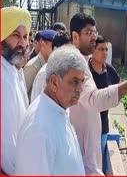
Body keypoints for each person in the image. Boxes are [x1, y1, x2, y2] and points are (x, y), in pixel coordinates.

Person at [69, 12, 127, 175]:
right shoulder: (75, 63)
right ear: (75, 36)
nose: (94, 37)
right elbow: (94, 99)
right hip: (81, 146)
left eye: (95, 33)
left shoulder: (82, 61)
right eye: (89, 33)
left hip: (89, 138)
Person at [14, 46, 87, 175]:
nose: (80, 88)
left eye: (82, 81)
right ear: (54, 82)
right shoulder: (39, 128)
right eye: (74, 82)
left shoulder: (58, 110)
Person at [1, 6, 31, 175]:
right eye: (15, 35)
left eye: (25, 36)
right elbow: (7, 145)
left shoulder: (13, 70)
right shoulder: (3, 79)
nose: (22, 43)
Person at [89, 35, 120, 173]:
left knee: (98, 164)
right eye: (101, 49)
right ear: (92, 51)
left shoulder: (110, 71)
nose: (105, 53)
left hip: (103, 127)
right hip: (86, 127)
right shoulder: (85, 70)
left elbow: (118, 89)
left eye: (106, 49)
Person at [30, 31, 71, 102]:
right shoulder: (44, 74)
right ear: (55, 49)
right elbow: (38, 105)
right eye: (66, 51)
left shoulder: (63, 71)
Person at [24, 29, 57, 99]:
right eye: (52, 47)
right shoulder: (32, 67)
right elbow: (22, 95)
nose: (55, 50)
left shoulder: (51, 65)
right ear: (43, 44)